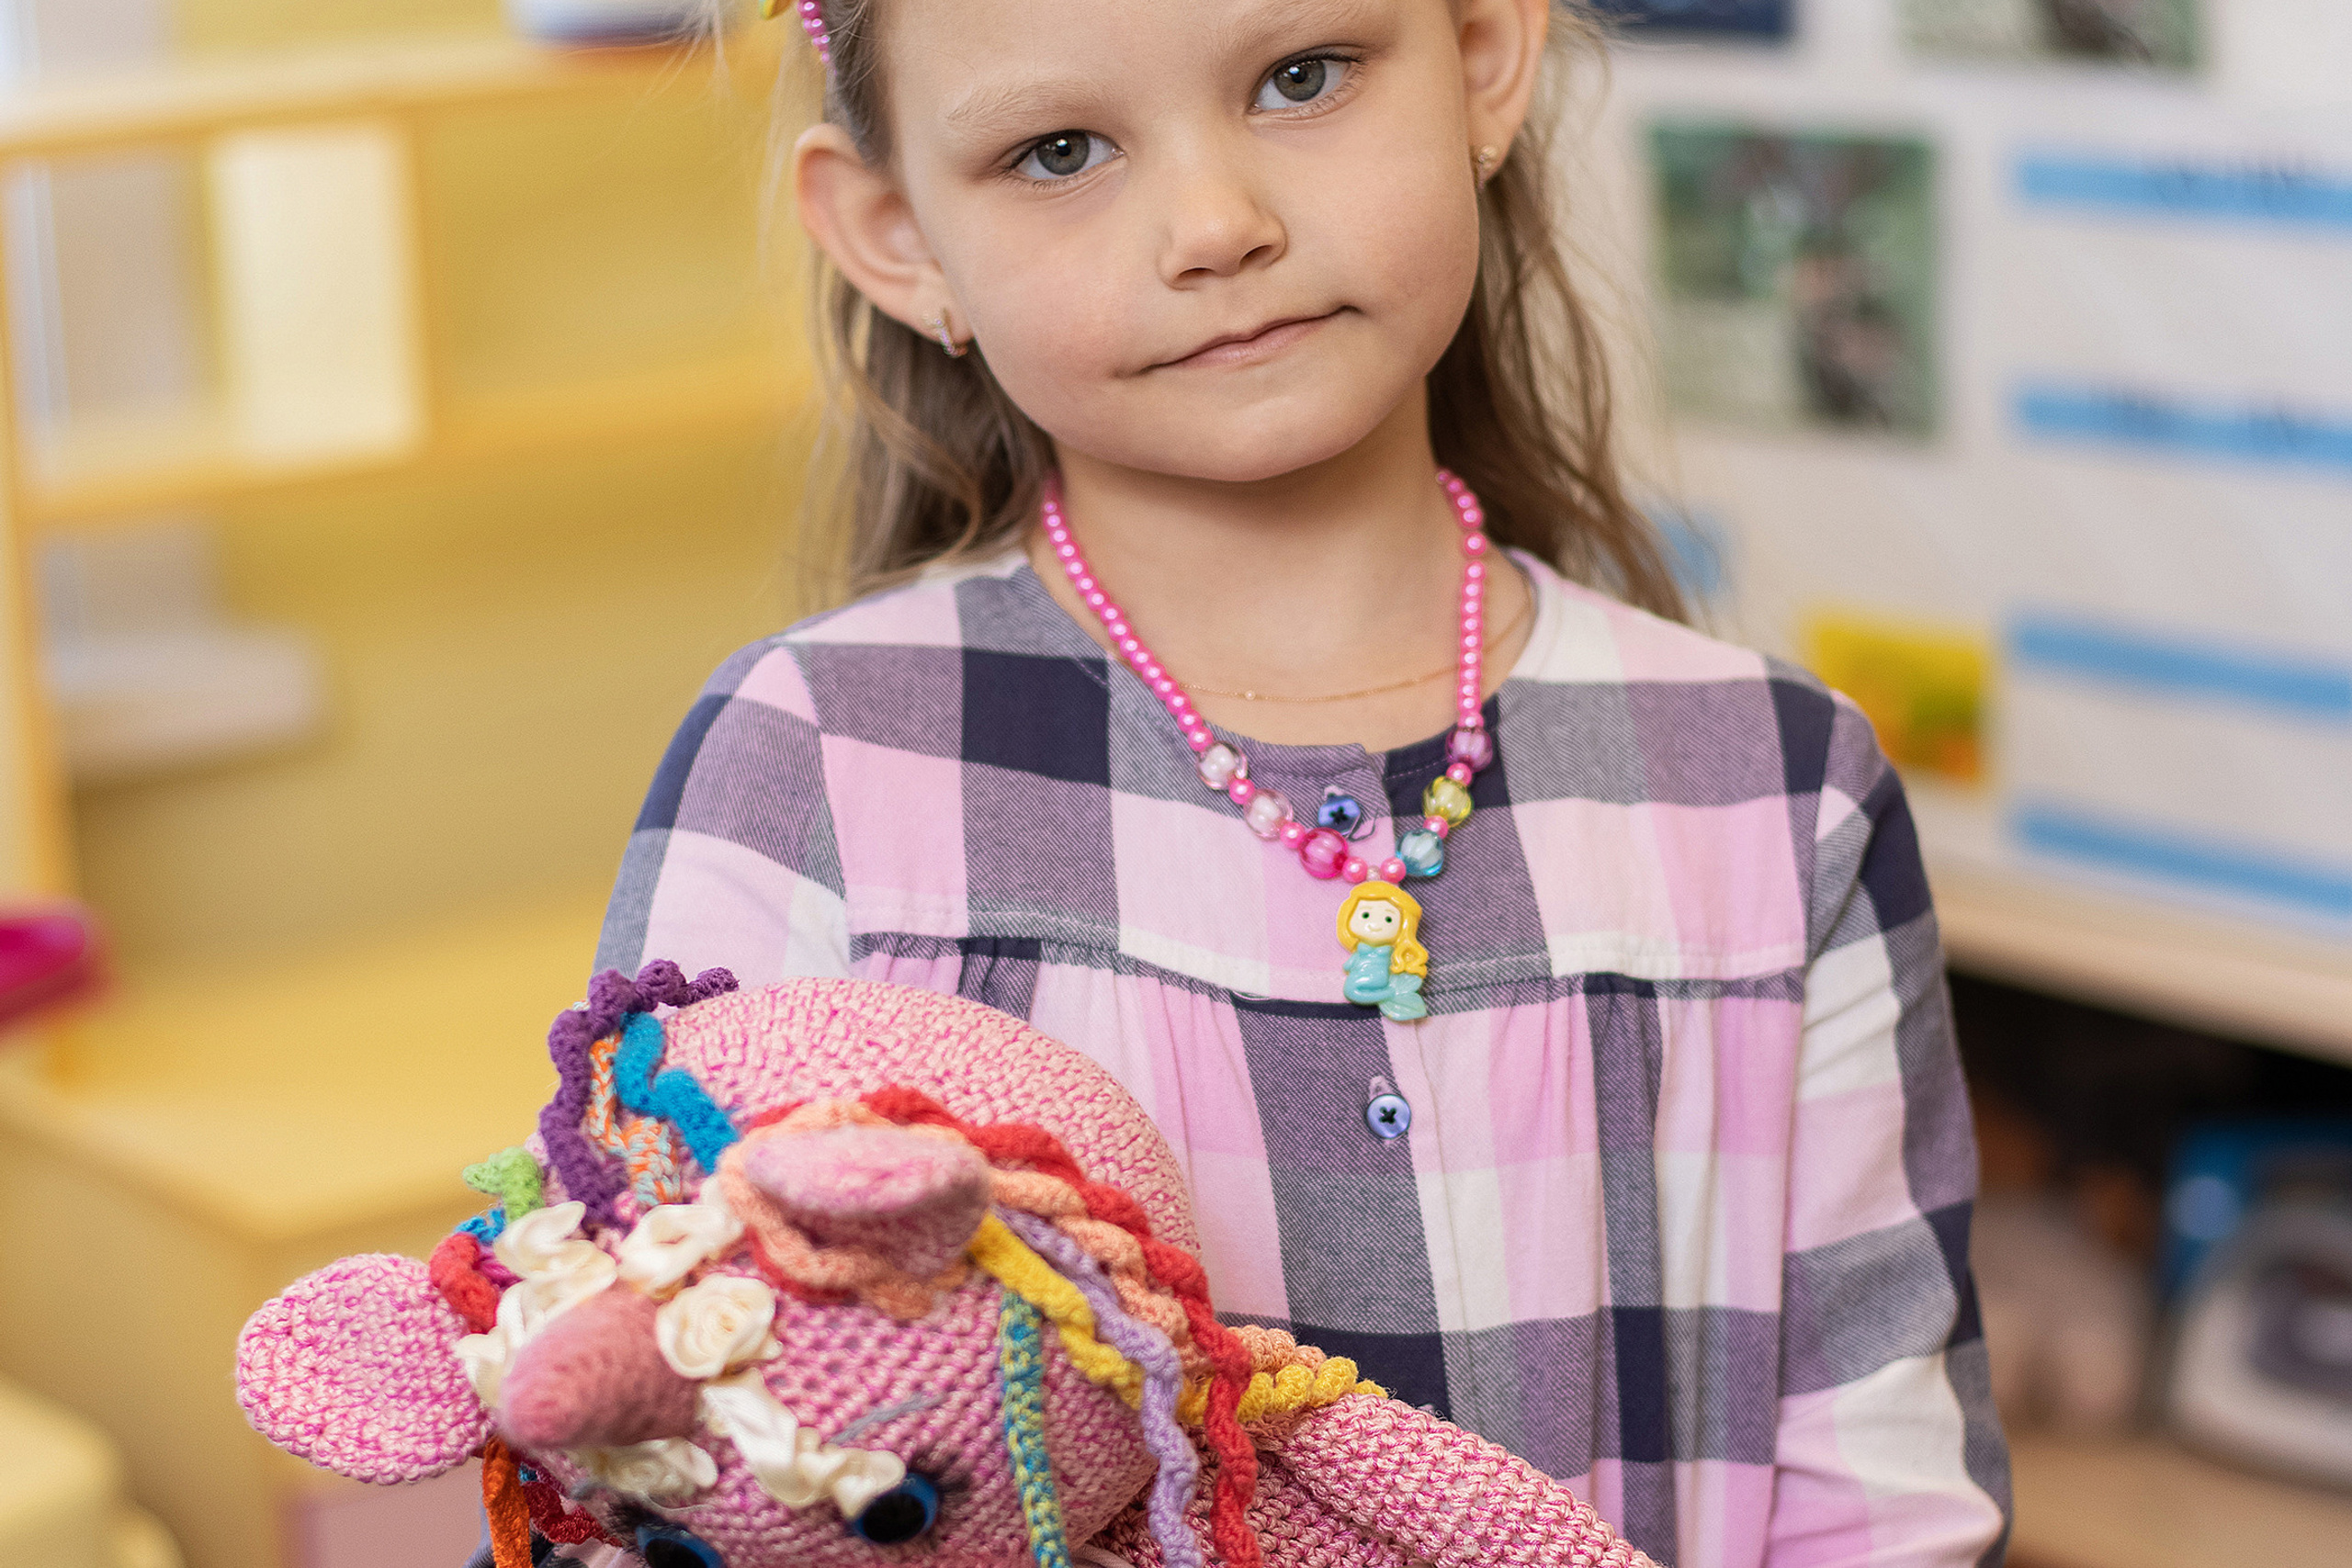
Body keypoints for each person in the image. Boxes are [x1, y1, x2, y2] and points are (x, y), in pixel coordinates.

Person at [597, 2, 2010, 1562]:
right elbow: (681, 1453)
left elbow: (1884, 1508)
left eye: (1301, 77)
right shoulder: (811, 767)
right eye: (1057, 151)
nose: (1217, 224)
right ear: (896, 234)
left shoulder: (1780, 787)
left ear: (1484, 57)